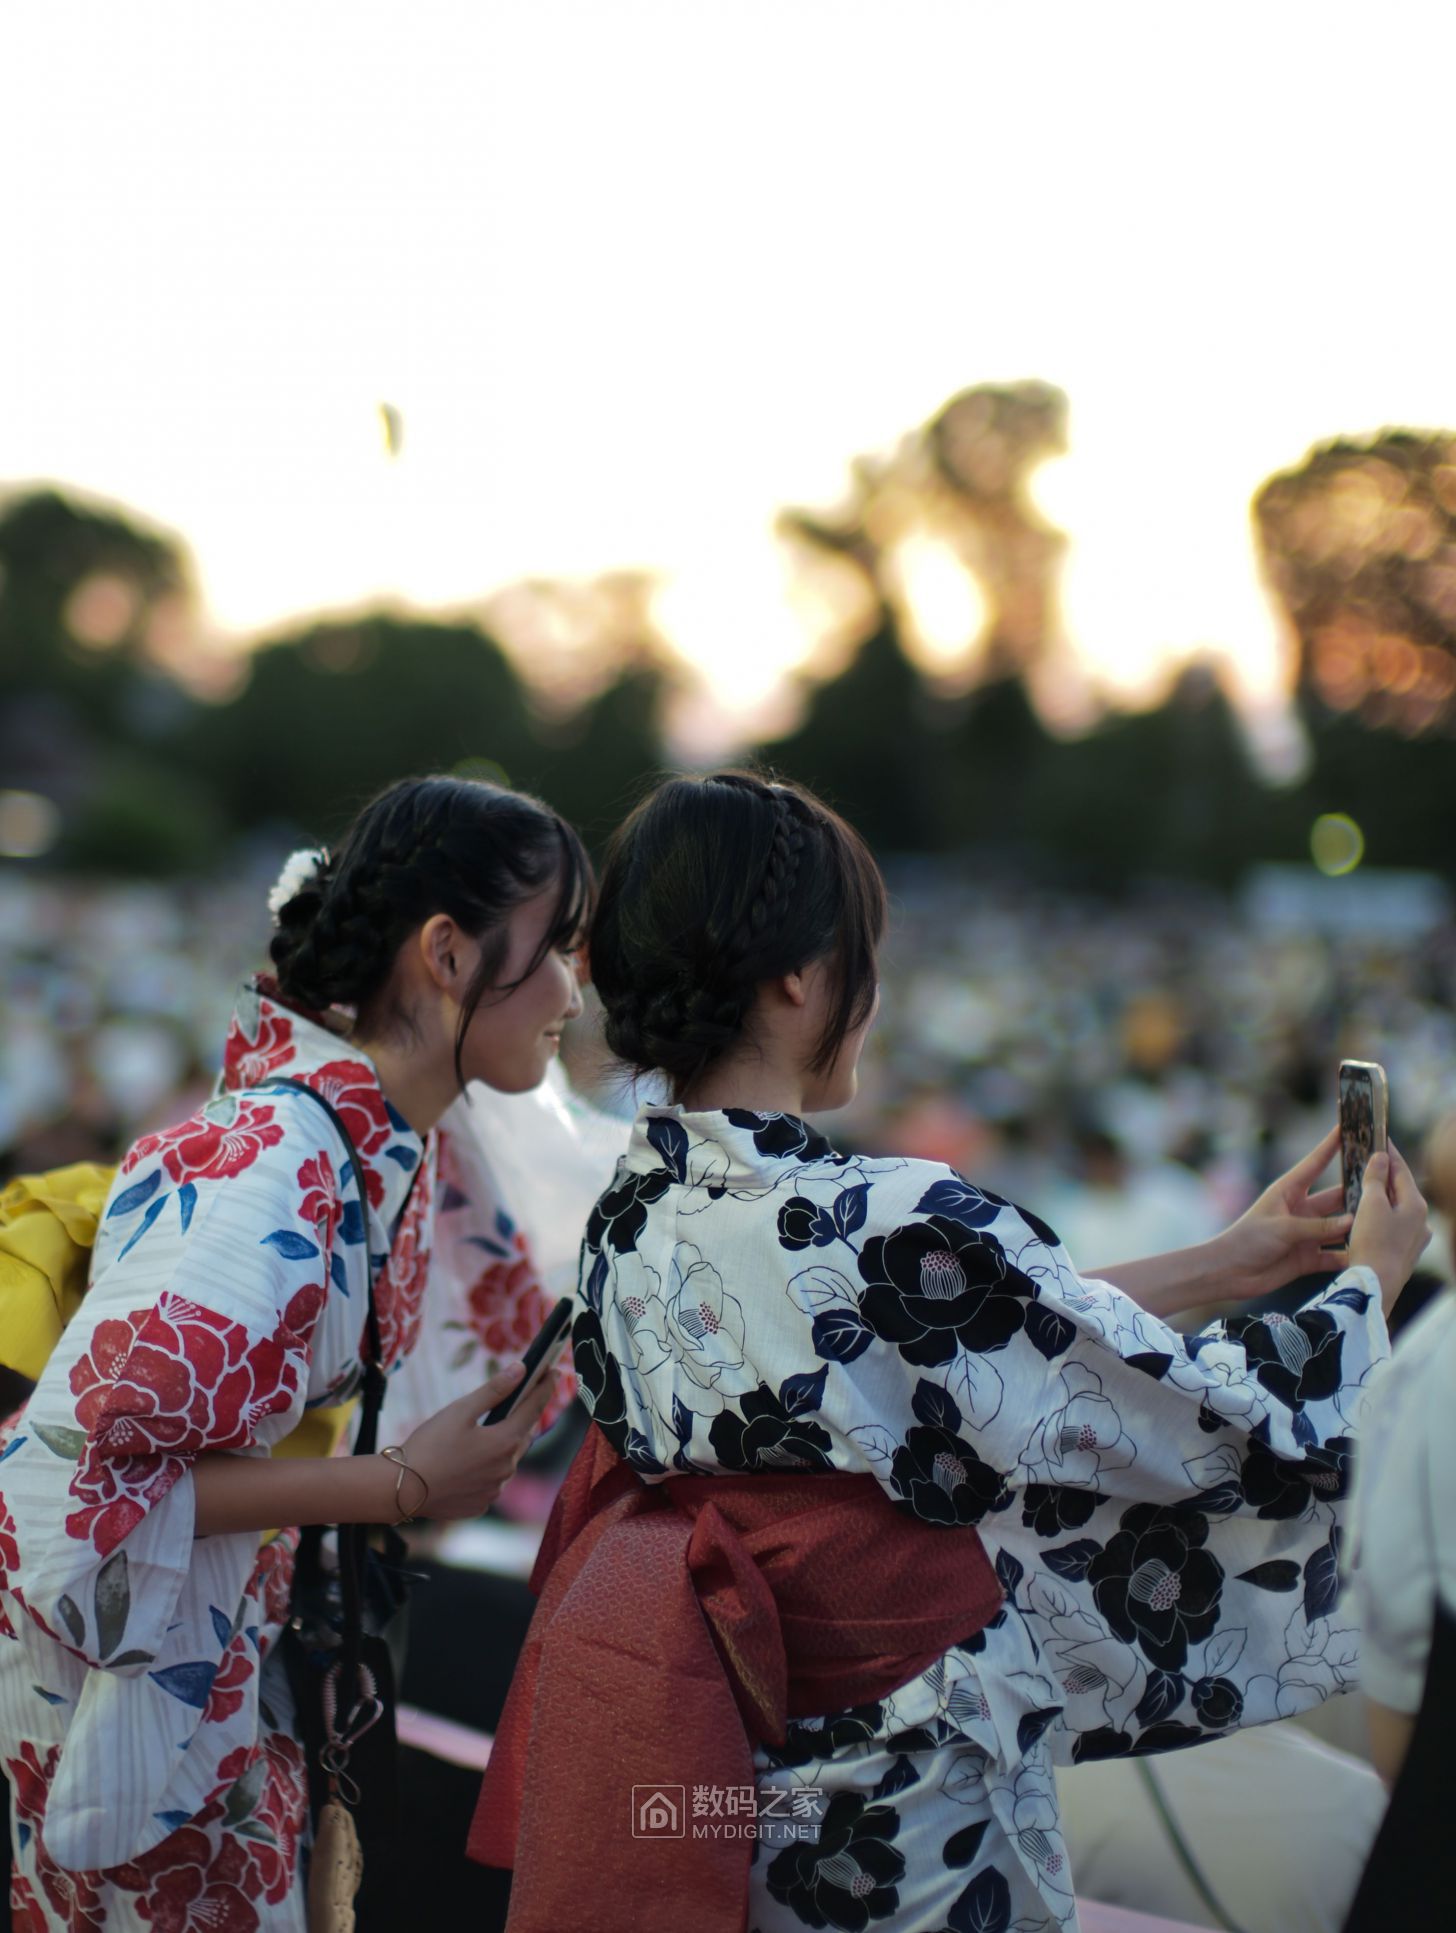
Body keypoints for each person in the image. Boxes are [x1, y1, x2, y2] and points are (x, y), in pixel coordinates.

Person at [473, 770, 1429, 1933]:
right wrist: (1367, 1288)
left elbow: (941, 1349)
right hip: (900, 1776)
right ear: (799, 976)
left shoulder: (633, 1205)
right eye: (863, 956)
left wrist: (1229, 1262)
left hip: (728, 1747)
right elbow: (1184, 1409)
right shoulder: (886, 1217)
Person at [0, 774, 590, 1930]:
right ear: (447, 953)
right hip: (119, 1726)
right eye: (557, 947)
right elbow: (63, 1481)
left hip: (213, 1678)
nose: (576, 988)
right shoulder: (280, 1162)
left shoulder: (368, 1139)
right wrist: (398, 1482)